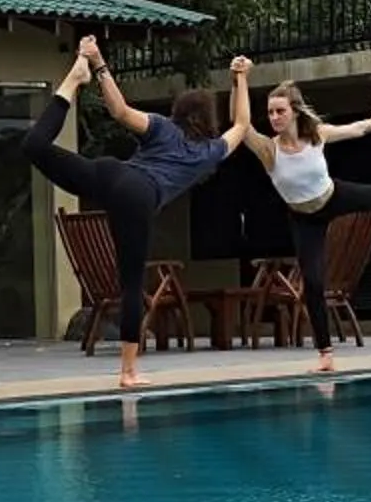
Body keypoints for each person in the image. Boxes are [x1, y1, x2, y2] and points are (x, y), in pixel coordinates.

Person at [24, 36, 254, 388]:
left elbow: (118, 111)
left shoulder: (162, 127)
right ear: (208, 120)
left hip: (110, 173)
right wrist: (241, 79)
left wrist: (99, 62)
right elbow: (241, 124)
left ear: (178, 113)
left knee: (35, 146)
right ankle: (128, 372)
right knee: (131, 285)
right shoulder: (210, 151)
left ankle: (73, 81)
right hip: (138, 197)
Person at [241, 80, 371, 371]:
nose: (274, 117)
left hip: (334, 196)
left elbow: (357, 129)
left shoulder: (316, 135)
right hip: (303, 218)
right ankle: (325, 354)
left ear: (295, 112)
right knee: (312, 281)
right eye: (270, 112)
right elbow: (243, 124)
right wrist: (240, 80)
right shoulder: (268, 150)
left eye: (280, 111)